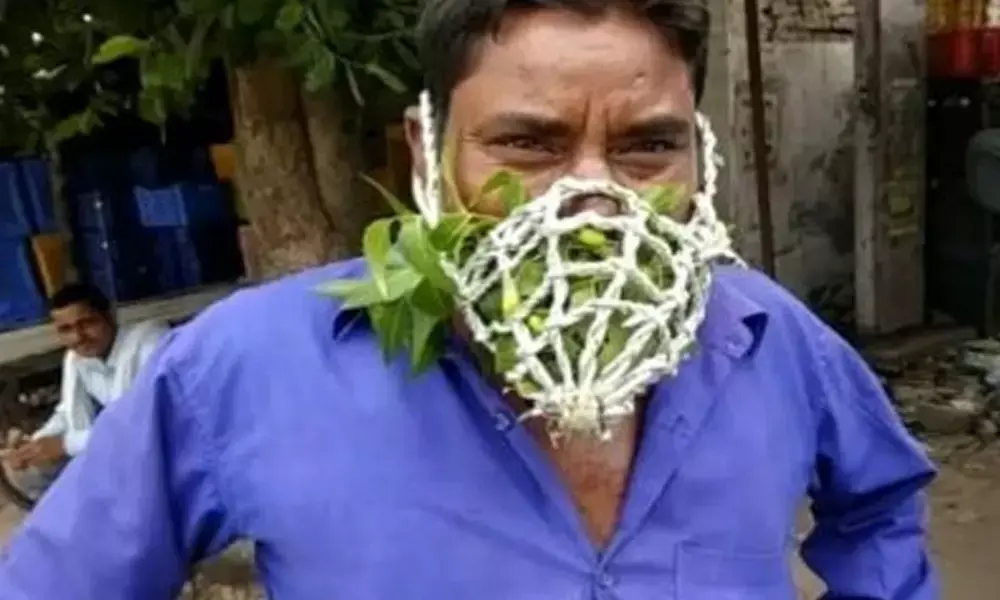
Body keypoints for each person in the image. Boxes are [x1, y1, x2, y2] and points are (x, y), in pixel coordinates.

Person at [0, 2, 938, 598]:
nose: (590, 197)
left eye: (647, 147)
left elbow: (881, 505)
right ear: (428, 154)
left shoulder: (769, 338)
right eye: (528, 145)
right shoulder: (247, 366)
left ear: (700, 154)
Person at [2, 283, 168, 499]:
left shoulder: (148, 343)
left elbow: (142, 427)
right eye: (66, 329)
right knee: (27, 472)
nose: (78, 337)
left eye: (87, 323)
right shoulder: (77, 357)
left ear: (110, 315)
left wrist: (65, 445)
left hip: (159, 451)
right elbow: (67, 411)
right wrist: (35, 444)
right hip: (119, 447)